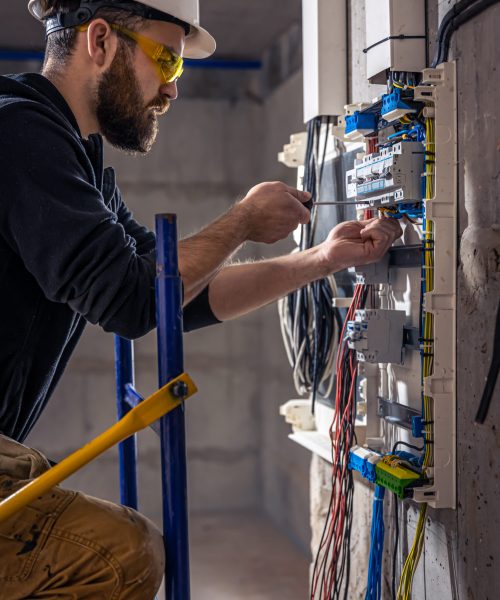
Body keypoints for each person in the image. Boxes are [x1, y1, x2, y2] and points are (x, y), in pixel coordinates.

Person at [0, 0, 402, 597]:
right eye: (165, 59)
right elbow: (128, 299)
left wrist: (321, 260)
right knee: (119, 555)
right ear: (101, 42)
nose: (170, 89)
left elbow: (172, 295)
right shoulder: (20, 135)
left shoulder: (71, 153)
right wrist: (240, 221)